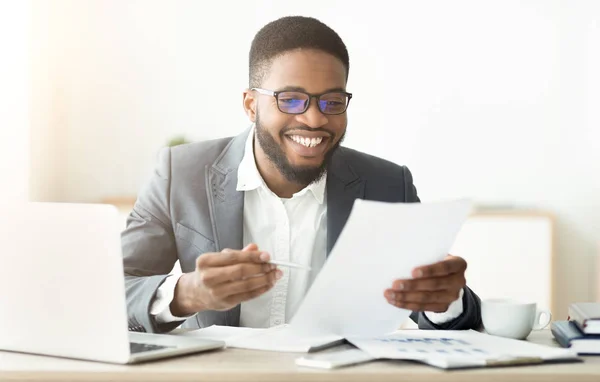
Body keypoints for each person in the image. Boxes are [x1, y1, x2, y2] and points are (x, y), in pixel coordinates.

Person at [122, 16, 482, 334]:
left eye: (332, 101)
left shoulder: (388, 185)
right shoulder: (180, 175)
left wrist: (445, 300)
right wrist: (188, 293)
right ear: (251, 105)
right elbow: (111, 291)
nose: (314, 119)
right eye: (291, 99)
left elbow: (442, 312)